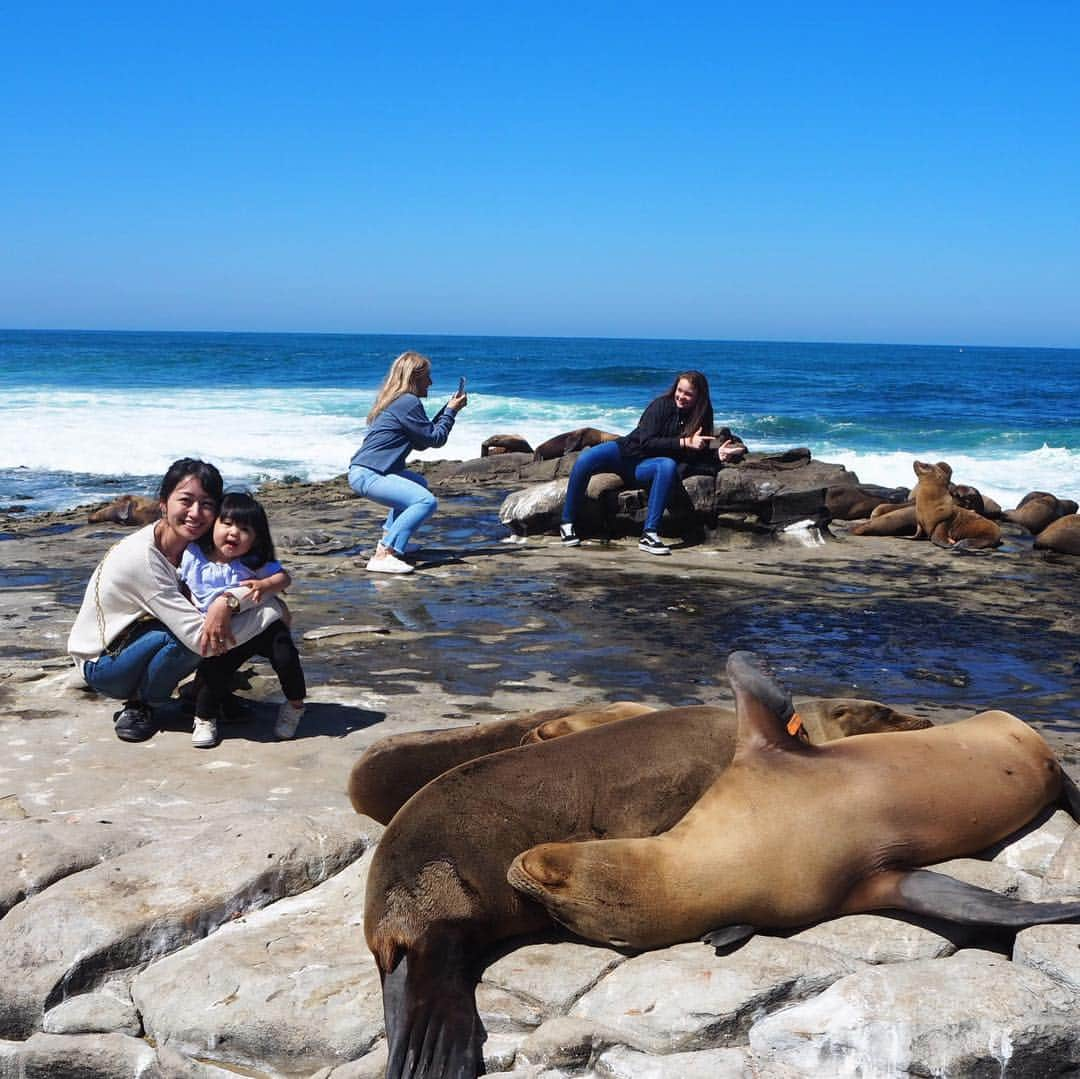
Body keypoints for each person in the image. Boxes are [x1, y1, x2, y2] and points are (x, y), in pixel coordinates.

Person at [68, 459, 285, 745]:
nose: (196, 513)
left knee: (212, 617)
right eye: (186, 500)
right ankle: (145, 704)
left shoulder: (204, 544)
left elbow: (265, 574)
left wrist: (230, 600)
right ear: (163, 503)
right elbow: (198, 639)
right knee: (195, 636)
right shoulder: (144, 558)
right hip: (105, 664)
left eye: (207, 504)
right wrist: (271, 610)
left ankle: (200, 691)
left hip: (140, 636)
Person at [559, 371, 747, 555]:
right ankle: (567, 523)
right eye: (679, 390)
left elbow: (695, 454)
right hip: (623, 452)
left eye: (688, 394)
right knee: (585, 458)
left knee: (667, 465)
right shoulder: (660, 405)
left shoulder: (701, 417)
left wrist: (717, 455)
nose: (681, 396)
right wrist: (684, 442)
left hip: (643, 468)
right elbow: (646, 442)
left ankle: (649, 534)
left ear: (700, 396)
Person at [179, 492, 307, 748]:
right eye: (226, 523)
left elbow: (284, 579)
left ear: (256, 537)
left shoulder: (253, 562)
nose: (234, 533)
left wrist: (265, 584)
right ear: (213, 524)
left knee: (285, 656)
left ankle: (295, 706)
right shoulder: (194, 554)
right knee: (215, 669)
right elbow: (181, 585)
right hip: (227, 628)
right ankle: (204, 717)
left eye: (245, 528)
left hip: (262, 625)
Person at [348, 350, 468, 574]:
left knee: (418, 484)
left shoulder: (399, 401)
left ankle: (389, 537)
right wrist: (451, 412)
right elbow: (435, 439)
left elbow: (423, 441)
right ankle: (386, 553)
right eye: (427, 377)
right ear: (414, 377)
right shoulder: (408, 402)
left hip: (369, 471)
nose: (430, 383)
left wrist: (446, 410)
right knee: (425, 501)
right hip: (370, 474)